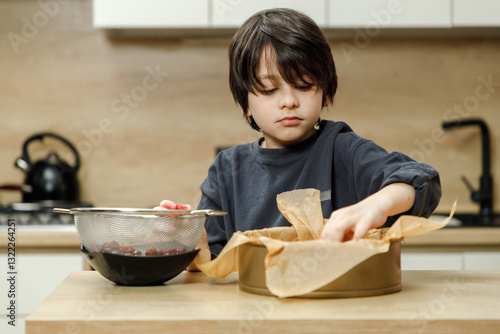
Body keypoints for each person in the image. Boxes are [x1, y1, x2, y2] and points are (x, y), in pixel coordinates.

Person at [160, 8, 441, 259]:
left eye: (304, 85)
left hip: (334, 306)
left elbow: (421, 180)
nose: (289, 101)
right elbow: (212, 265)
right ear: (245, 102)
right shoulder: (227, 170)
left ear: (326, 92)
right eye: (270, 90)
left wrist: (378, 204)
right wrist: (190, 239)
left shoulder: (341, 149)